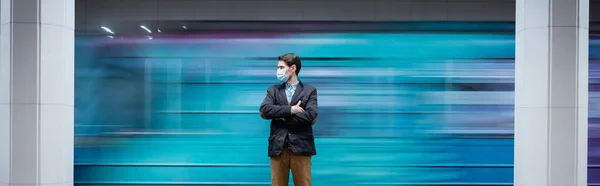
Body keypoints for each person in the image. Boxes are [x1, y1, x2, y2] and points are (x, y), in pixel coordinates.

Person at [259, 53, 318, 186]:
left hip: (301, 147)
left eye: (281, 67)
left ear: (293, 68)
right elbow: (265, 110)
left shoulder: (310, 91)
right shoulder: (273, 90)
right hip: (278, 147)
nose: (278, 71)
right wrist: (291, 110)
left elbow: (311, 116)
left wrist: (278, 115)